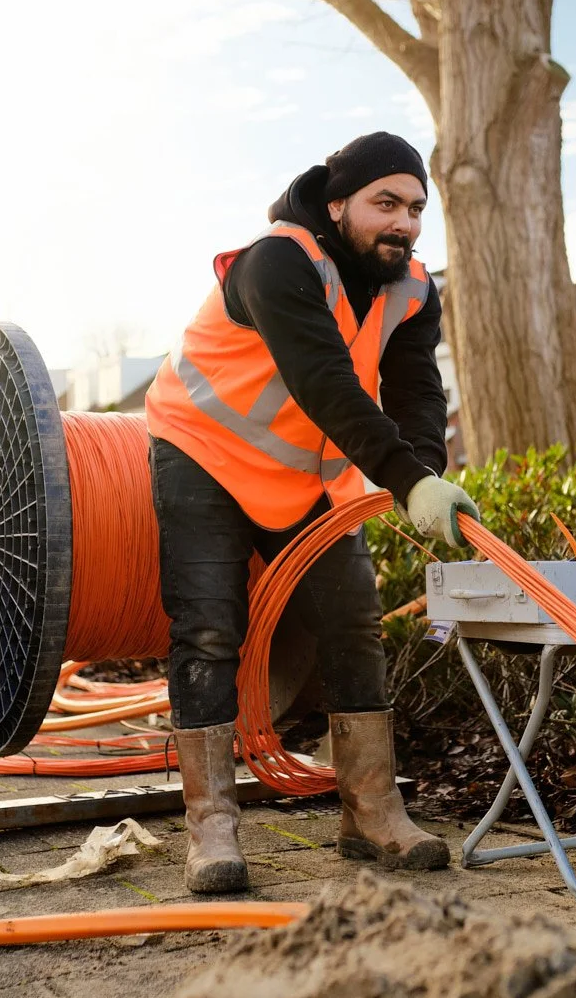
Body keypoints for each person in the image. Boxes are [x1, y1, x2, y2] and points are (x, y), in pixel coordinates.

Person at [146, 132, 480, 893]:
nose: (404, 221)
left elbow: (418, 392)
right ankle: (213, 829)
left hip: (305, 477)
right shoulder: (279, 261)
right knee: (207, 624)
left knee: (352, 620)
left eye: (417, 207)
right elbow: (325, 383)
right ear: (339, 206)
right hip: (204, 452)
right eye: (385, 203)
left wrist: (424, 473)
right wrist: (403, 481)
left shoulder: (413, 288)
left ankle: (371, 811)